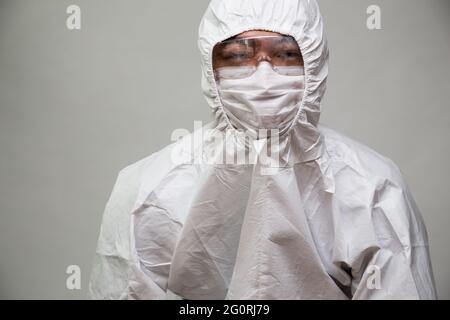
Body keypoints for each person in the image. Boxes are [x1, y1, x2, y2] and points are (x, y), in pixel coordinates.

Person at [89, 0, 437, 300]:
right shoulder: (148, 190)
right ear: (212, 71)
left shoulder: (372, 187)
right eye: (239, 55)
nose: (264, 75)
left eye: (285, 54)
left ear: (314, 64)